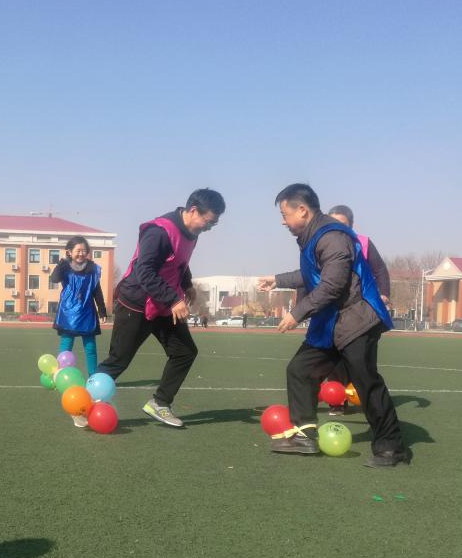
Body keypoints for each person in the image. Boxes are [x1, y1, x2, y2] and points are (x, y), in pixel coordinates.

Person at [258, 184, 409, 467]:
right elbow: (311, 273)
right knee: (300, 370)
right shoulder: (314, 235)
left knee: (366, 383)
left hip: (356, 321)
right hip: (331, 324)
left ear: (302, 210)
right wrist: (277, 280)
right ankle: (304, 436)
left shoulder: (332, 237)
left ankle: (391, 448)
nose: (282, 221)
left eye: (284, 214)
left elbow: (332, 285)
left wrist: (297, 313)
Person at [96, 188, 225, 427]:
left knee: (184, 352)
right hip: (136, 303)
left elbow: (179, 261)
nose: (209, 228)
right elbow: (144, 271)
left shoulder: (191, 233)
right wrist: (173, 299)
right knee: (118, 360)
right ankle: (85, 403)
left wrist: (187, 284)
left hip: (163, 306)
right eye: (208, 222)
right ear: (193, 210)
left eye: (213, 224)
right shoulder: (159, 232)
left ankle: (160, 403)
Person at [323, 204, 391, 416]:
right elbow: (310, 275)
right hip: (334, 310)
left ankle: (369, 400)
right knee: (335, 358)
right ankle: (337, 401)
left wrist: (384, 294)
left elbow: (380, 269)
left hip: (363, 311)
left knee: (364, 359)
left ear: (351, 226)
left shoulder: (363, 243)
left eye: (342, 224)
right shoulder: (322, 244)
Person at [50, 235, 107, 426]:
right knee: (66, 344)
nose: (81, 254)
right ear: (69, 252)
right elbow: (54, 278)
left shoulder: (93, 269)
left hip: (86, 311)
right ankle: (59, 375)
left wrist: (102, 310)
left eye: (84, 250)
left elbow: (97, 291)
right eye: (78, 250)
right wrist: (60, 264)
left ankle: (92, 378)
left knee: (90, 347)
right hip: (68, 312)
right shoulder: (65, 267)